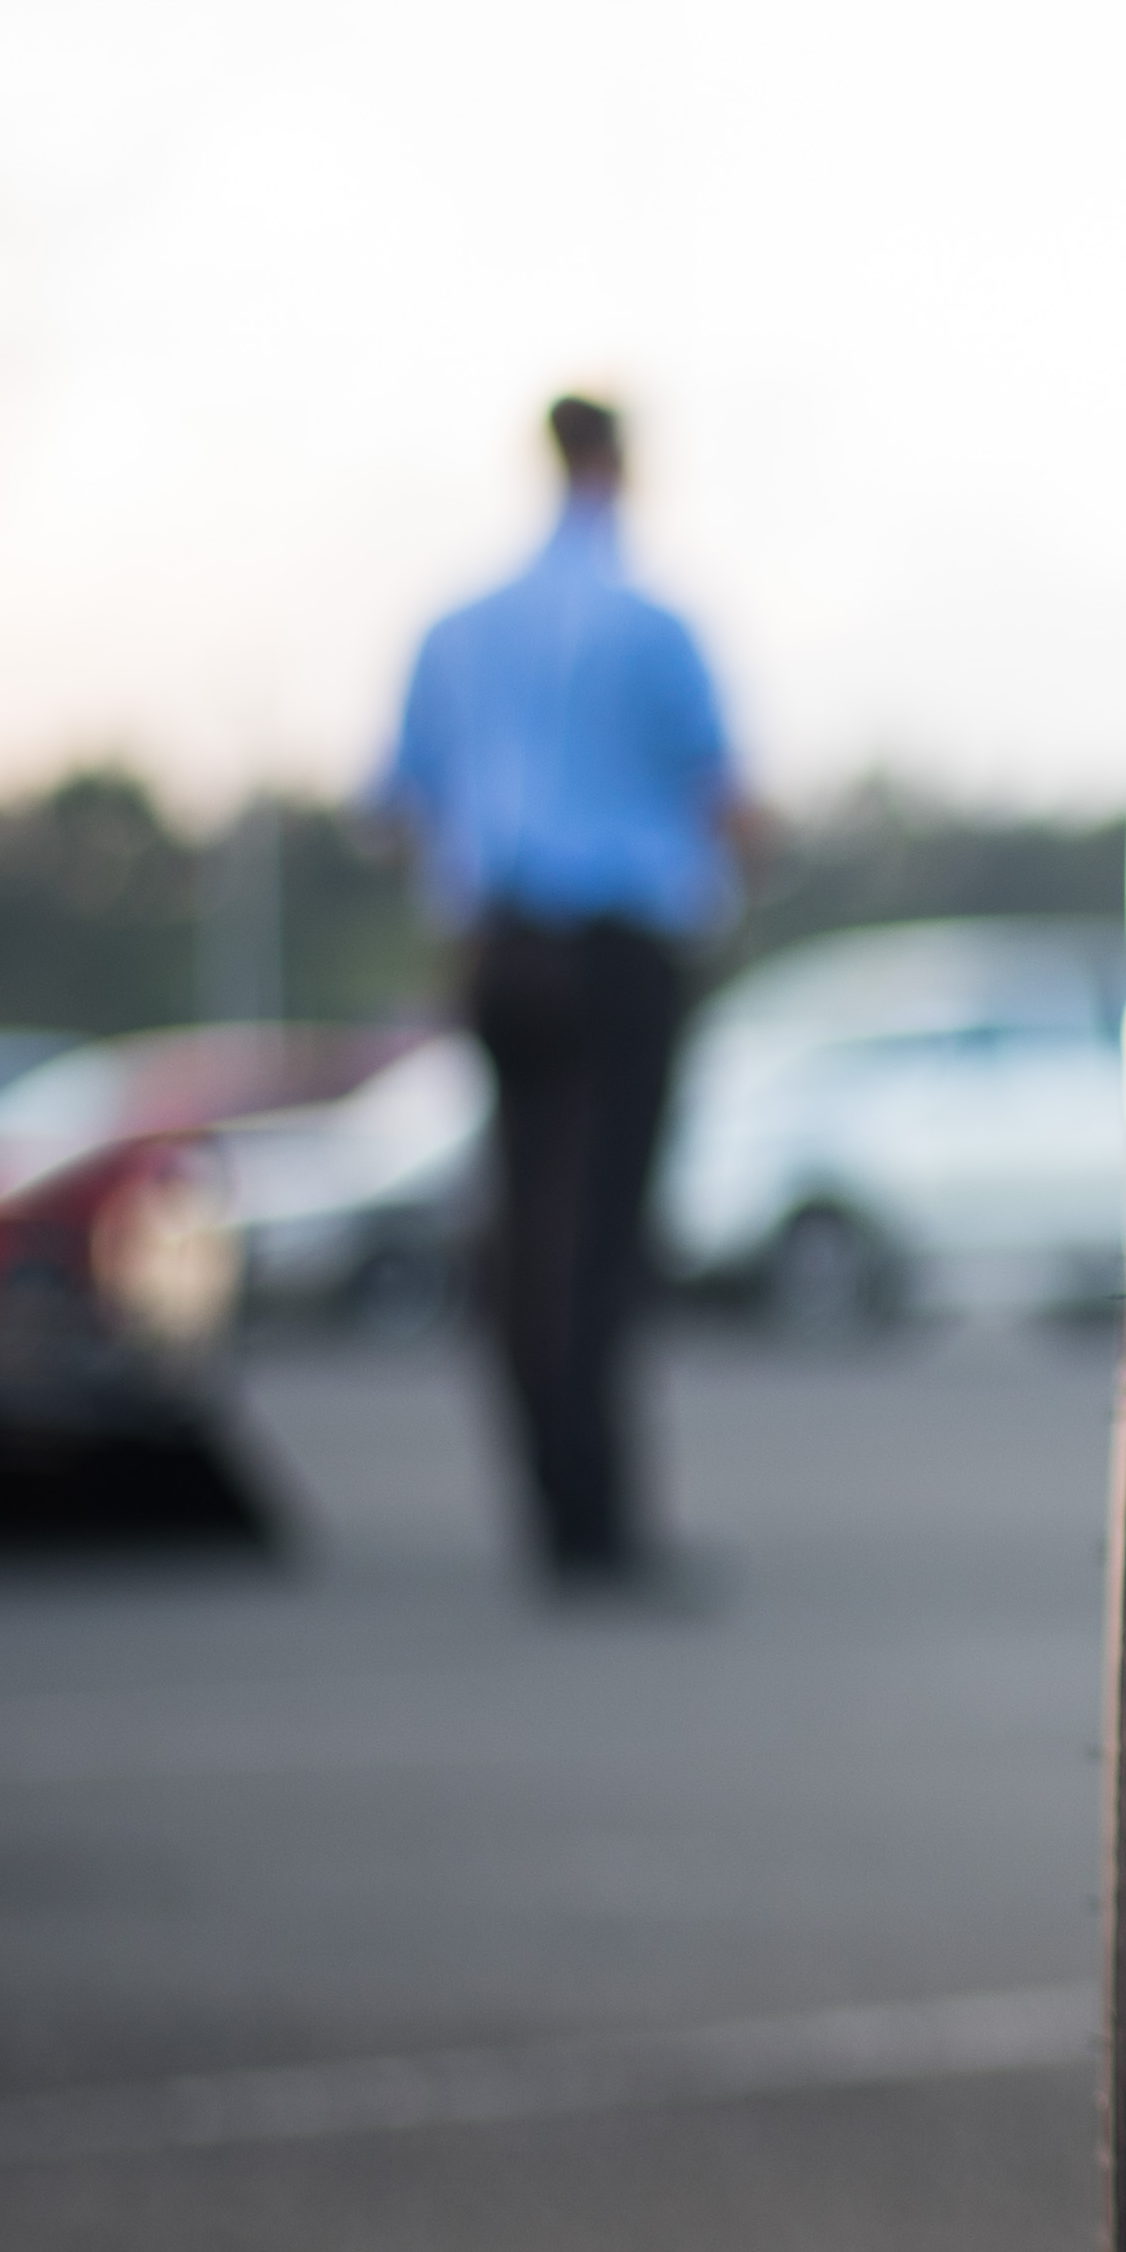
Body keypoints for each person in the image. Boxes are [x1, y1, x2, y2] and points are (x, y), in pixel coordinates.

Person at [375, 396, 752, 1592]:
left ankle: (544, 1495)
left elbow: (397, 804)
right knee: (596, 1233)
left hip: (498, 946)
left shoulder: (456, 628)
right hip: (617, 951)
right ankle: (592, 1515)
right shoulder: (653, 626)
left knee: (521, 1218)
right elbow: (724, 796)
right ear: (618, 466)